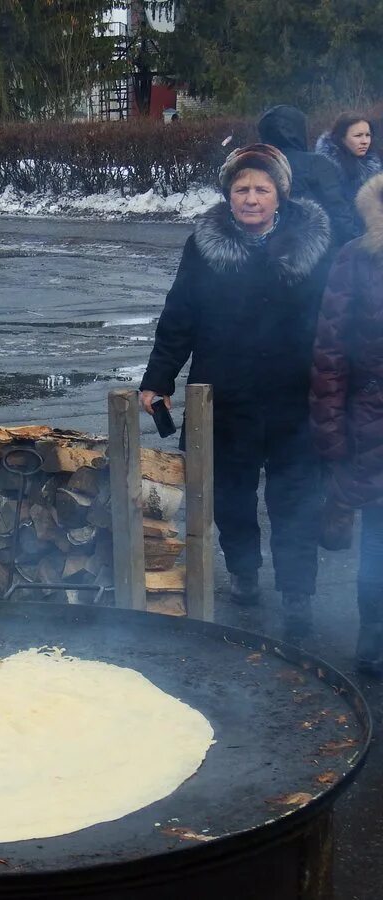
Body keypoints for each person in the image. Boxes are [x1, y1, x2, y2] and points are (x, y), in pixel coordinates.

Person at [139, 144, 335, 641]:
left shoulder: (313, 244)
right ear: (228, 194)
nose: (250, 198)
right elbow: (180, 314)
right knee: (230, 494)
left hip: (296, 396)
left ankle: (297, 593)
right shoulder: (204, 244)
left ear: (280, 194)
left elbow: (337, 321)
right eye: (241, 188)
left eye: (261, 189)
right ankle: (244, 572)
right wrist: (158, 378)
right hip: (224, 393)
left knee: (296, 497)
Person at [310, 172, 383, 673]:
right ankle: (375, 635)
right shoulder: (357, 258)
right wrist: (332, 435)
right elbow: (330, 356)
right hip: (373, 425)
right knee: (379, 541)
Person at [259, 104, 357, 246]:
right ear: (299, 130)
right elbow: (338, 209)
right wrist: (351, 243)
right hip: (319, 250)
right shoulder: (317, 163)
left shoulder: (257, 165)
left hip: (274, 249)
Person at [316, 113, 382, 239]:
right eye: (358, 136)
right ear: (342, 138)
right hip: (344, 240)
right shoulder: (326, 167)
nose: (365, 141)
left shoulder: (375, 163)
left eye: (368, 135)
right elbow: (336, 211)